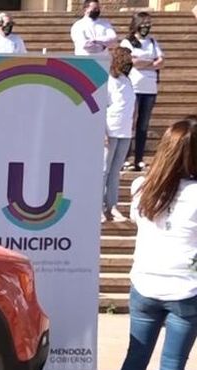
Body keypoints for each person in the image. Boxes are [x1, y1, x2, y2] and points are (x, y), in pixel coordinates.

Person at [97, 117, 197, 370]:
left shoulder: (142, 187)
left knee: (134, 359)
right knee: (171, 368)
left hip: (144, 284)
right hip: (185, 290)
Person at [121, 12, 164, 172]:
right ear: (137, 24)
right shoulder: (128, 42)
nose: (146, 26)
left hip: (150, 89)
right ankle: (125, 158)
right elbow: (132, 61)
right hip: (134, 87)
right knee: (129, 123)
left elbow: (162, 62)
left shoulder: (152, 42)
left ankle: (139, 159)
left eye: (149, 23)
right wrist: (151, 62)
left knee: (143, 125)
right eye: (144, 23)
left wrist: (146, 63)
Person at [102, 47, 136, 221]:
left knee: (115, 171)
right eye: (127, 59)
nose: (130, 63)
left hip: (125, 131)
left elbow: (131, 104)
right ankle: (98, 207)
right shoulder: (109, 80)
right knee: (104, 171)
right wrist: (103, 132)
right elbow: (101, 107)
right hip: (111, 129)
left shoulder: (127, 81)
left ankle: (112, 206)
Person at [70, 0, 118, 67]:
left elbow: (113, 38)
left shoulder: (105, 24)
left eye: (98, 8)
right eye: (94, 8)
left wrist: (95, 40)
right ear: (86, 9)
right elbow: (84, 45)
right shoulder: (78, 25)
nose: (97, 10)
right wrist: (103, 46)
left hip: (103, 62)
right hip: (84, 61)